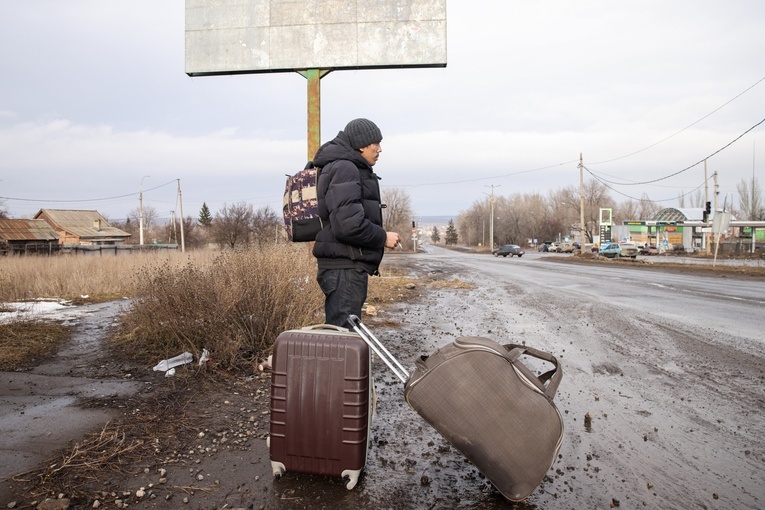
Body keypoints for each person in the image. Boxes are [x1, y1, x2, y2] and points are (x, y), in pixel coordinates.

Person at [312, 118, 401, 327]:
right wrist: (383, 238)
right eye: (376, 144)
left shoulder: (343, 166)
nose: (380, 149)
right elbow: (348, 225)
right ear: (362, 145)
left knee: (342, 339)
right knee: (341, 341)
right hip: (344, 269)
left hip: (344, 267)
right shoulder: (345, 168)